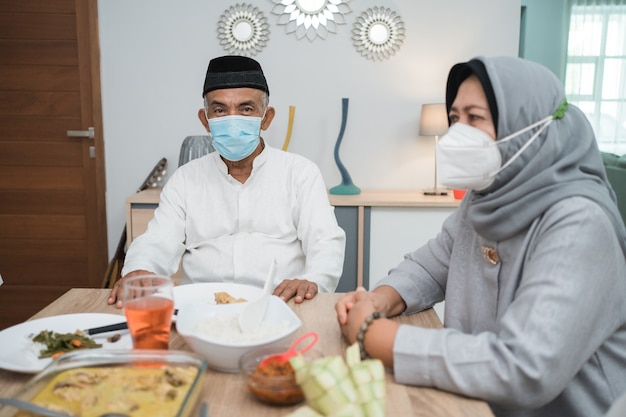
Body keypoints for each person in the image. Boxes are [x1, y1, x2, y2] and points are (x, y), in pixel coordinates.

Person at [335, 56, 626, 417]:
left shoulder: (580, 222)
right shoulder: (486, 198)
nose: (458, 133)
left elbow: (524, 369)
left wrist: (378, 337)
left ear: (531, 126)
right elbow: (429, 267)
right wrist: (379, 299)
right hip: (473, 401)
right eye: (455, 118)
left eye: (475, 118)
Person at [109, 55, 345, 307]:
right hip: (202, 305)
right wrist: (139, 269)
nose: (232, 120)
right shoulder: (186, 179)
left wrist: (312, 280)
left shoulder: (300, 173)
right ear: (205, 119)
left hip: (281, 303)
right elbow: (158, 240)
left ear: (266, 118)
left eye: (246, 109)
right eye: (220, 110)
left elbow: (325, 241)